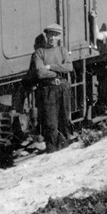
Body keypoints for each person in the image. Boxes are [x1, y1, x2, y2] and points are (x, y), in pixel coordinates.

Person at [27, 23, 73, 152]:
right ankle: (52, 152)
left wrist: (50, 67)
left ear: (59, 37)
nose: (52, 38)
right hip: (48, 91)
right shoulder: (39, 53)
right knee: (51, 124)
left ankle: (65, 150)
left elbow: (69, 67)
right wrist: (58, 70)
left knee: (64, 121)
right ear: (46, 36)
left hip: (63, 89)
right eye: (50, 35)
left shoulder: (62, 51)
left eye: (55, 35)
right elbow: (40, 73)